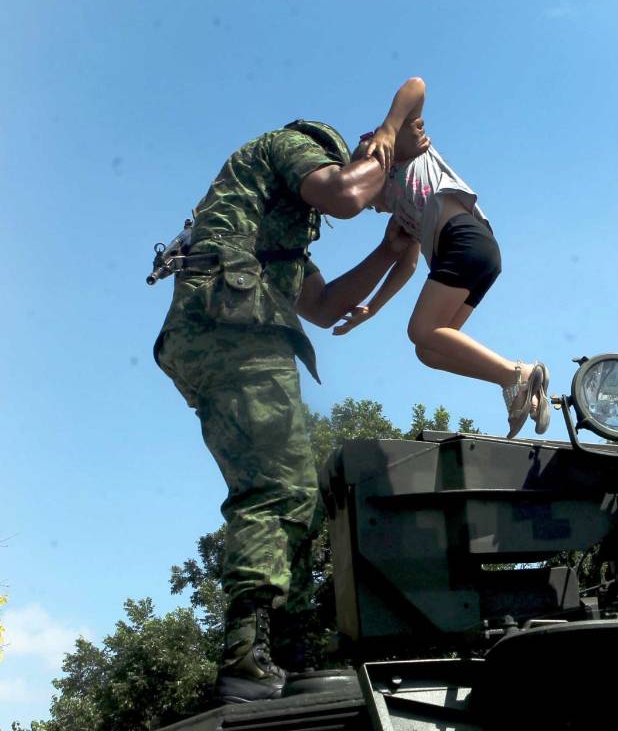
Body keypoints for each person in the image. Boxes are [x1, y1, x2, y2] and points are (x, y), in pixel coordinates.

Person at [153, 116, 428, 703]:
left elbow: (324, 307)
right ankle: (244, 657)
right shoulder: (291, 146)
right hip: (231, 328)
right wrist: (392, 154)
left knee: (297, 491)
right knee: (275, 492)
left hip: (227, 332)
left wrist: (387, 252)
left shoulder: (275, 229)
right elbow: (346, 193)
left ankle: (289, 649)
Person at [331, 77, 551, 438]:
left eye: (365, 197)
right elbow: (408, 265)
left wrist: (388, 129)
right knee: (429, 349)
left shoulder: (402, 154)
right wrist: (372, 308)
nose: (368, 208)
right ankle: (517, 386)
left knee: (420, 330)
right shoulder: (403, 215)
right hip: (479, 255)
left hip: (464, 238)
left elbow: (416, 86)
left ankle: (518, 375)